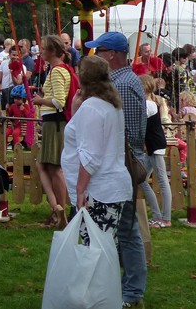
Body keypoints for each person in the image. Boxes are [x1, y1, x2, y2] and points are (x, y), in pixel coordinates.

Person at [86, 31, 147, 309]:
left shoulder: (120, 86)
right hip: (121, 162)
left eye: (98, 51)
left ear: (111, 55)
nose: (95, 56)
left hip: (122, 163)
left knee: (125, 230)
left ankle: (131, 291)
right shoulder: (123, 81)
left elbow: (128, 135)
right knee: (124, 230)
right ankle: (127, 287)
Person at [61, 56, 132, 246]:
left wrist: (80, 189)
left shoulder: (92, 108)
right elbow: (85, 136)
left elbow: (91, 156)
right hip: (109, 186)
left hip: (99, 190)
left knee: (95, 250)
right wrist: (76, 109)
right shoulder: (109, 105)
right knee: (103, 247)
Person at [32, 35, 70, 230]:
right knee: (45, 165)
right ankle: (56, 207)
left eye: (44, 49)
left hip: (55, 122)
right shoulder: (60, 70)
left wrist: (40, 101)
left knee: (54, 167)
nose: (41, 52)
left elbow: (59, 102)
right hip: (52, 122)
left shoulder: (57, 72)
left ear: (52, 51)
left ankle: (58, 209)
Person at [138, 75, 173, 229]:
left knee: (162, 181)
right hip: (151, 146)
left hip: (156, 146)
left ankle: (166, 218)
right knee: (141, 179)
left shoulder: (149, 105)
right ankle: (157, 215)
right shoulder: (148, 103)